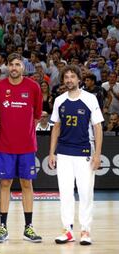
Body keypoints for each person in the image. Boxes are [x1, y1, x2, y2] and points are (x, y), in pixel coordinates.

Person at [49, 65, 104, 246]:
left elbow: (98, 127)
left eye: (73, 76)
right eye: (66, 77)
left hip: (84, 154)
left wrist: (97, 155)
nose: (69, 80)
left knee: (85, 193)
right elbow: (56, 127)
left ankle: (85, 230)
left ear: (79, 79)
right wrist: (51, 153)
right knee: (65, 194)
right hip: (64, 153)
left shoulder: (90, 99)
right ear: (63, 80)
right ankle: (68, 230)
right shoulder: (59, 100)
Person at [0, 53, 43, 243]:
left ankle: (28, 227)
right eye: (11, 64)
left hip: (27, 145)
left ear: (23, 67)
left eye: (17, 64)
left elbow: (37, 115)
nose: (14, 68)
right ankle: (2, 227)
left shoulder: (33, 87)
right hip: (5, 145)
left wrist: (24, 130)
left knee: (27, 184)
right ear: (6, 67)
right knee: (5, 184)